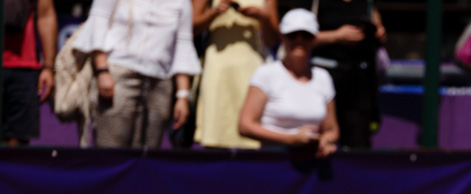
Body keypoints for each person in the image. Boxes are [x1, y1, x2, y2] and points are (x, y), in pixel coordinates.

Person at [73, 0, 202, 149]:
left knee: (149, 151)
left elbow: (183, 44)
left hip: (160, 83)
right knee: (111, 150)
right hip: (118, 76)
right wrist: (102, 71)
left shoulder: (182, 2)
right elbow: (98, 23)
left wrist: (182, 95)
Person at [238, 8, 339, 156]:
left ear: (314, 39)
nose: (299, 40)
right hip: (274, 161)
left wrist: (325, 141)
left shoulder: (323, 77)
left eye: (306, 35)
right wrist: (290, 139)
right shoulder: (265, 73)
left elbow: (331, 129)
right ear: (282, 37)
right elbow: (245, 126)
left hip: (312, 163)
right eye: (292, 35)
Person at [293, 0, 386, 149]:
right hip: (321, 75)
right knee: (317, 140)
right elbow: (294, 38)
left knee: (357, 140)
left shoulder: (368, 3)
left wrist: (377, 30)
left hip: (359, 79)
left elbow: (375, 18)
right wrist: (336, 36)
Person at [192, 0, 279, 149]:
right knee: (215, 135)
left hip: (251, 67)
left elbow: (272, 40)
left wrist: (262, 17)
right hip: (217, 66)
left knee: (250, 139)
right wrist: (215, 12)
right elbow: (192, 27)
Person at [2, 0, 57, 146]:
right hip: (23, 69)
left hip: (24, 69)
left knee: (18, 144)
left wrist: (49, 67)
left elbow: (46, 15)